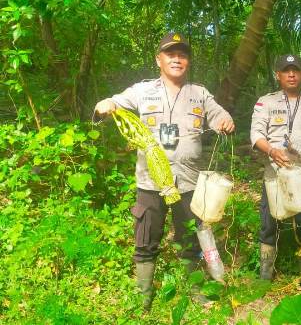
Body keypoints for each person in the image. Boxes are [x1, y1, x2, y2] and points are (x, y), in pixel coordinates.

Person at [94, 32, 235, 310]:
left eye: (182, 55)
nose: (177, 59)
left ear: (188, 61)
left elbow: (219, 114)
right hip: (151, 182)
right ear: (159, 60)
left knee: (190, 238)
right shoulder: (142, 91)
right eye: (171, 54)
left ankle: (194, 289)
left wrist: (225, 120)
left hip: (188, 182)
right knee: (146, 240)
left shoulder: (200, 93)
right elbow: (113, 102)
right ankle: (143, 296)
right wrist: (106, 105)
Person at [250, 54, 301, 295]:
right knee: (269, 223)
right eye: (286, 70)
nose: (291, 74)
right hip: (275, 175)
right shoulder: (265, 102)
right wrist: (271, 150)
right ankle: (265, 273)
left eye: (295, 70)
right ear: (278, 75)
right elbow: (256, 135)